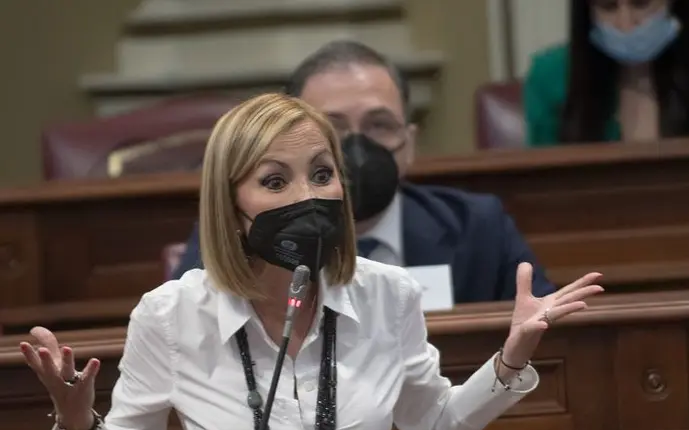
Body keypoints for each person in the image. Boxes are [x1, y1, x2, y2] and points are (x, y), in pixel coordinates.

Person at [20, 93, 603, 430]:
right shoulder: (171, 315)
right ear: (231, 206)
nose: (309, 196)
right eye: (275, 182)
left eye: (322, 174)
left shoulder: (388, 296)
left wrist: (512, 360)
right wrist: (77, 423)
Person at [174, 40, 555, 303]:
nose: (354, 149)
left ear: (409, 143)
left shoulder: (478, 226)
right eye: (332, 128)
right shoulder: (239, 229)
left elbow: (546, 335)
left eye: (379, 126)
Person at [524, 0, 689, 146]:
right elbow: (543, 198)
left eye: (641, 3)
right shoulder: (550, 76)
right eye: (608, 6)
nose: (626, 24)